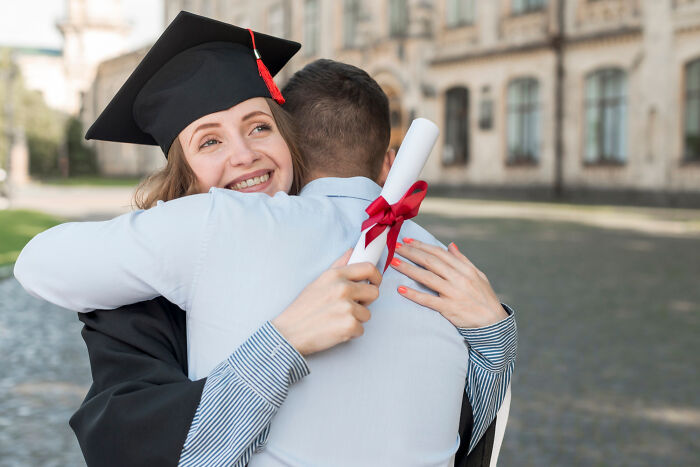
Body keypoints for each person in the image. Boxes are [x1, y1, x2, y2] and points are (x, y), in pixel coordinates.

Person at [15, 12, 516, 466]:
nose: (244, 155)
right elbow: (148, 447)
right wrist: (285, 340)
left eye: (258, 127)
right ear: (181, 170)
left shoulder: (378, 248)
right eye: (210, 140)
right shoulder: (142, 296)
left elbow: (458, 436)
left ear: (291, 140)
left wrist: (493, 333)